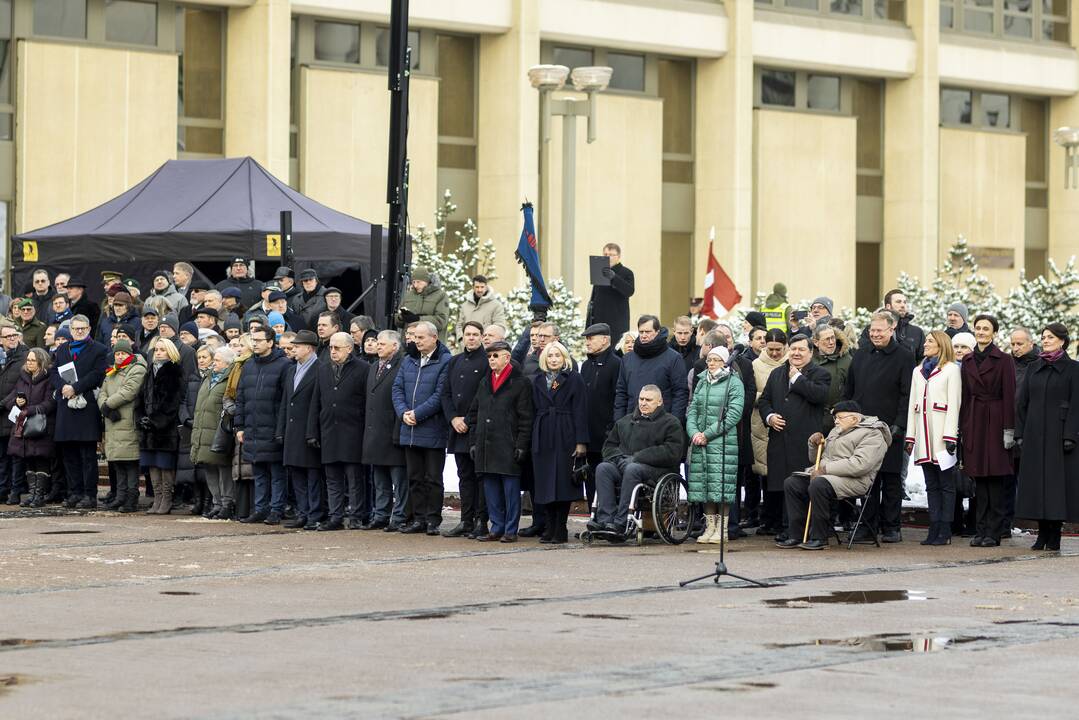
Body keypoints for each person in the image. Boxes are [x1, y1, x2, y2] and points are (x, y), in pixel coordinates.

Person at [780, 401, 891, 550]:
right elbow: (817, 460)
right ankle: (796, 534)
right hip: (828, 476)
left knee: (819, 484)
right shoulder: (836, 431)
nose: (836, 421)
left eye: (840, 417)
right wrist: (814, 445)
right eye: (835, 418)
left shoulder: (873, 434)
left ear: (854, 419)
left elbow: (860, 465)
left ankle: (819, 537)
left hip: (855, 480)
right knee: (792, 483)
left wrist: (825, 470)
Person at [843, 311, 913, 543]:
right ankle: (867, 525)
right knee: (867, 478)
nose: (875, 334)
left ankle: (892, 526)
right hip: (862, 428)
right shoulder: (861, 355)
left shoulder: (904, 356)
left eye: (879, 330)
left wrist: (899, 424)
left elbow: (906, 394)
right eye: (872, 330)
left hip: (890, 428)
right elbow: (850, 391)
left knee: (891, 478)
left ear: (891, 330)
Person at [758, 333, 831, 541]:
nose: (796, 353)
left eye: (801, 349)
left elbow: (819, 395)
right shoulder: (776, 373)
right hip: (780, 439)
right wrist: (770, 416)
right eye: (793, 349)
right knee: (782, 485)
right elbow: (764, 401)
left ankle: (801, 530)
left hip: (804, 441)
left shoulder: (820, 373)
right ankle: (787, 528)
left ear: (810, 352)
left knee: (800, 485)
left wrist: (797, 378)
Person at [1015, 323, 1079, 551]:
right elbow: (1022, 403)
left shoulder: (1073, 369)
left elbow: (1076, 405)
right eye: (1043, 337)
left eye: (1050, 337)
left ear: (1062, 340)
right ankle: (1041, 533)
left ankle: (1054, 534)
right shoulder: (1034, 367)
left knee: (1056, 487)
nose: (1046, 340)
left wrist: (1070, 434)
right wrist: (1021, 434)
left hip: (1059, 436)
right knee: (1036, 486)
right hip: (1034, 434)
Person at [589, 385, 684, 540]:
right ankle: (605, 520)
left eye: (648, 400)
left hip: (657, 471)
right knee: (603, 468)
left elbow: (672, 452)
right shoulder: (625, 422)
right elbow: (609, 446)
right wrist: (620, 459)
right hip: (625, 466)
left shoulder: (670, 423)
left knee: (633, 468)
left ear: (659, 402)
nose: (643, 403)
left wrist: (637, 457)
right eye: (641, 399)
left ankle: (621, 522)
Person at [467, 340, 534, 542]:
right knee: (491, 490)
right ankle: (496, 527)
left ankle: (510, 530)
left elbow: (526, 418)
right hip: (486, 445)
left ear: (507, 357)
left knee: (510, 490)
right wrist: (473, 441)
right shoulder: (485, 381)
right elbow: (474, 413)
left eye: (496, 356)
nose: (491, 360)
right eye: (489, 356)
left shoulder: (520, 383)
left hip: (508, 445)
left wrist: (522, 445)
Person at [960, 314, 1016, 547]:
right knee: (979, 480)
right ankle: (980, 530)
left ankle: (994, 532)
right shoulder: (968, 359)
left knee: (994, 480)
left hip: (995, 420)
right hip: (974, 420)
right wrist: (962, 426)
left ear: (994, 333)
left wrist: (1008, 429)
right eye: (978, 328)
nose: (981, 332)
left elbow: (1010, 395)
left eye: (986, 329)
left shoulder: (1003, 359)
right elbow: (964, 395)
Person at [392, 321, 451, 534]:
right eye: (415, 337)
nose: (416, 341)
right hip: (409, 429)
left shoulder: (445, 361)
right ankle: (418, 518)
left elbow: (440, 395)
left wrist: (417, 414)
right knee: (415, 477)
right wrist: (403, 412)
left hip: (433, 429)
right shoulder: (408, 360)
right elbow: (397, 389)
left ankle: (433, 520)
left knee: (433, 478)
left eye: (421, 337)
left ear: (434, 337)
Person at [904, 331, 962, 546]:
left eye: (930, 341)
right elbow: (913, 406)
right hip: (923, 438)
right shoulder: (918, 371)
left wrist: (950, 436)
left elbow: (954, 404)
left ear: (941, 344)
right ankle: (934, 525)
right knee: (931, 485)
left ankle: (945, 528)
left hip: (942, 438)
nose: (925, 344)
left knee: (946, 484)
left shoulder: (951, 370)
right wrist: (911, 436)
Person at [531, 342, 589, 544]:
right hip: (543, 431)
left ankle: (560, 527)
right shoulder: (537, 379)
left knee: (562, 481)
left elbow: (581, 410)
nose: (553, 359)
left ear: (564, 358)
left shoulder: (574, 378)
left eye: (557, 355)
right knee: (545, 481)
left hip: (565, 431)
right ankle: (549, 525)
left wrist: (581, 441)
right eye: (550, 355)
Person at [310, 332, 369, 531]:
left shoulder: (363, 369)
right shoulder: (323, 369)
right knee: (333, 478)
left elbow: (368, 404)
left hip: (354, 431)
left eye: (337, 348)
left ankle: (356, 516)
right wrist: (313, 431)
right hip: (329, 431)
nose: (333, 351)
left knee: (354, 478)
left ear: (349, 348)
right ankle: (335, 516)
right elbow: (316, 402)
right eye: (331, 348)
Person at [687, 346, 745, 544]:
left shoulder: (734, 383)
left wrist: (707, 434)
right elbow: (692, 408)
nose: (711, 363)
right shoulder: (703, 381)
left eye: (716, 360)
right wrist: (694, 432)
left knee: (721, 487)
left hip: (722, 442)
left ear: (725, 361)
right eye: (709, 360)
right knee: (705, 486)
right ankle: (710, 527)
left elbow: (733, 415)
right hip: (700, 442)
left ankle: (722, 529)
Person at [235, 325, 291, 525]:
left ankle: (276, 510)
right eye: (253, 340)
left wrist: (281, 429)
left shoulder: (284, 365)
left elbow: (286, 400)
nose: (255, 344)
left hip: (274, 428)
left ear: (270, 342)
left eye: (259, 340)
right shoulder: (249, 365)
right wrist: (239, 426)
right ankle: (260, 509)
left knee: (276, 473)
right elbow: (240, 397)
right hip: (253, 427)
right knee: (259, 472)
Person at [50, 314, 108, 508]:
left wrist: (76, 387)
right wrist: (63, 388)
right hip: (66, 406)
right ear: (71, 330)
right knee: (69, 454)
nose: (79, 331)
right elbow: (54, 372)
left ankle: (89, 495)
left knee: (87, 456)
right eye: (76, 329)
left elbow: (98, 374)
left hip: (86, 407)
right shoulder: (61, 349)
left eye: (83, 328)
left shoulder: (99, 349)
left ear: (89, 329)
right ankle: (74, 492)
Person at [440, 321, 489, 538]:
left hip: (476, 428)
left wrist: (467, 419)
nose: (471, 338)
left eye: (475, 334)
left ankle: (481, 520)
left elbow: (484, 396)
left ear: (481, 337)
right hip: (457, 428)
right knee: (464, 476)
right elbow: (445, 393)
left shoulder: (487, 361)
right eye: (467, 334)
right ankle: (465, 520)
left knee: (480, 477)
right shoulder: (454, 361)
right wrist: (452, 418)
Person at [277, 330, 324, 530]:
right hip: (292, 431)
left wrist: (313, 432)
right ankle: (303, 513)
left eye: (297, 346)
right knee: (296, 474)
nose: (293, 349)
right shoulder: (291, 370)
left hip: (309, 430)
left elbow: (319, 403)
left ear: (308, 348)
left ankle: (315, 513)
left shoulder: (321, 369)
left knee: (313, 475)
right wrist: (281, 429)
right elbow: (285, 402)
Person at [364, 330, 409, 531]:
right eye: (377, 343)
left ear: (395, 346)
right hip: (375, 432)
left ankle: (398, 516)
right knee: (379, 479)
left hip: (393, 430)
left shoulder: (403, 365)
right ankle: (381, 514)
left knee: (398, 480)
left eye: (382, 343)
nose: (378, 346)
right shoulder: (374, 366)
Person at [135, 337, 185, 514]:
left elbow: (172, 402)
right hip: (149, 429)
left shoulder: (173, 371)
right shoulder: (150, 371)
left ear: (170, 352)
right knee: (152, 465)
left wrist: (156, 420)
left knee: (165, 465)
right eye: (156, 350)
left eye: (162, 350)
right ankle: (157, 498)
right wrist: (141, 418)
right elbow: (141, 397)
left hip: (166, 429)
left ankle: (166, 499)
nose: (158, 353)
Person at [98, 338, 148, 513]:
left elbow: (129, 391)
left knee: (130, 462)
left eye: (123, 353)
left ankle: (131, 498)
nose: (119, 357)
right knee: (118, 462)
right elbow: (102, 392)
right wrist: (105, 407)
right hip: (113, 422)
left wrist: (108, 404)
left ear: (130, 353)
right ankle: (120, 496)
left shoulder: (137, 369)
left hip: (127, 421)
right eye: (117, 353)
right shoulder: (112, 371)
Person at [4, 348, 56, 508]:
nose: (29, 363)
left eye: (33, 360)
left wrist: (29, 409)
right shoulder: (23, 377)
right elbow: (11, 398)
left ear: (41, 361)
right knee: (28, 461)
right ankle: (32, 494)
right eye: (28, 360)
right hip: (24, 426)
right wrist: (16, 403)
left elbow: (50, 403)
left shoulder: (49, 379)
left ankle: (39, 496)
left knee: (40, 460)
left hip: (40, 426)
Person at [614, 315, 689, 422]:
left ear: (657, 332)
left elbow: (680, 393)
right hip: (631, 423)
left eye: (648, 332)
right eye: (641, 332)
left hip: (661, 424)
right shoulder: (627, 359)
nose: (644, 335)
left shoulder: (673, 358)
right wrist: (619, 422)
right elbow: (621, 392)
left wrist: (674, 423)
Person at [190, 347, 236, 519]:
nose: (213, 363)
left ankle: (227, 503)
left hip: (219, 433)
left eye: (217, 360)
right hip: (203, 431)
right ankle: (217, 503)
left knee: (223, 470)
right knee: (209, 468)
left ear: (227, 362)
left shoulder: (229, 379)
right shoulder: (208, 378)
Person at [749, 329, 787, 532]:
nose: (774, 354)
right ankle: (768, 518)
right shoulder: (756, 365)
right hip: (762, 424)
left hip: (786, 423)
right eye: (770, 349)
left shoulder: (793, 362)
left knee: (784, 472)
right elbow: (751, 392)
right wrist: (770, 395)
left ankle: (782, 519)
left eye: (778, 349)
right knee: (766, 473)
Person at [580, 323, 621, 507]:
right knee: (590, 477)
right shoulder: (586, 366)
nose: (587, 342)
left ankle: (607, 517)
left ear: (605, 340)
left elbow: (618, 399)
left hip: (607, 435)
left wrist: (612, 429)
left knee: (606, 478)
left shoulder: (616, 364)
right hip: (589, 436)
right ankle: (592, 516)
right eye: (586, 339)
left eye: (591, 338)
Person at [0, 325, 28, 503]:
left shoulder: (24, 357)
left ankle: (14, 491)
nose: (11, 338)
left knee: (14, 455)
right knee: (2, 455)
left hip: (13, 413)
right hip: (2, 417)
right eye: (7, 336)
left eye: (14, 335)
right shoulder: (3, 358)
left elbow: (21, 387)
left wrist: (3, 404)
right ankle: (3, 489)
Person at [586, 243, 635, 341]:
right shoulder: (599, 272)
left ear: (619, 257)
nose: (608, 257)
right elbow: (594, 298)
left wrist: (614, 277)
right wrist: (589, 323)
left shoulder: (626, 272)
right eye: (605, 255)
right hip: (598, 322)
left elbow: (629, 291)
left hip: (617, 322)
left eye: (611, 255)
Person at [862, 290, 925, 362]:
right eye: (898, 302)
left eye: (904, 302)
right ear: (888, 306)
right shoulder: (872, 330)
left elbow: (923, 359)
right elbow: (863, 355)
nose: (903, 305)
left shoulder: (916, 332)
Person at [813, 323, 851, 434]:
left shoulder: (847, 359)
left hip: (841, 418)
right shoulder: (809, 360)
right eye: (826, 339)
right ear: (816, 342)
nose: (831, 342)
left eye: (832, 338)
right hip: (815, 418)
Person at [397, 267, 450, 342]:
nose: (415, 285)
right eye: (414, 282)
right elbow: (397, 320)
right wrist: (402, 317)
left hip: (431, 344)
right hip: (409, 343)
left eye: (419, 282)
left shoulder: (441, 295)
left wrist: (418, 319)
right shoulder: (408, 295)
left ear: (427, 281)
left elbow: (441, 321)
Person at [456, 275, 507, 345]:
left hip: (486, 348)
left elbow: (500, 326)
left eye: (482, 287)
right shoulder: (465, 306)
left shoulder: (496, 305)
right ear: (473, 287)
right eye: (477, 287)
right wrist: (462, 339)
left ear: (486, 287)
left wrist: (488, 341)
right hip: (467, 347)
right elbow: (459, 325)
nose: (479, 290)